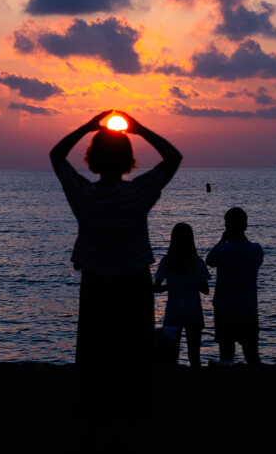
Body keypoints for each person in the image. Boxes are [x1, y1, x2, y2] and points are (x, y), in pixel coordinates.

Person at [50, 110, 181, 418]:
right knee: (134, 354)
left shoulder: (83, 194)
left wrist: (86, 126)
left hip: (96, 284)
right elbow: (173, 157)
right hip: (133, 284)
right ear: (127, 160)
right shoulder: (137, 193)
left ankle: (94, 411)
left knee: (95, 353)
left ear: (93, 159)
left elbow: (56, 155)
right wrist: (139, 129)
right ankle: (134, 411)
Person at [205, 207, 264, 365]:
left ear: (227, 227)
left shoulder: (222, 250)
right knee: (252, 354)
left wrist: (223, 240)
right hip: (249, 309)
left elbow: (209, 261)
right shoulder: (256, 250)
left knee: (226, 354)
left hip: (225, 310)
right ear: (245, 226)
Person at [154, 222, 210, 368]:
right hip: (194, 313)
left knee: (170, 357)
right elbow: (205, 290)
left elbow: (156, 288)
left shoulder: (166, 261)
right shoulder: (198, 262)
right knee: (194, 356)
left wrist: (171, 285)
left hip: (173, 313)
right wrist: (192, 283)